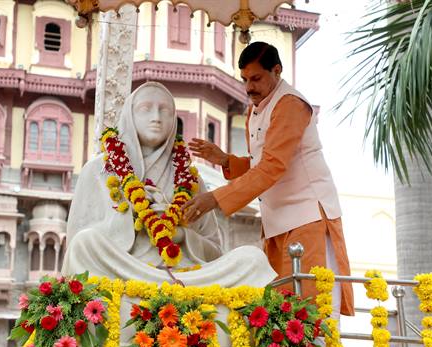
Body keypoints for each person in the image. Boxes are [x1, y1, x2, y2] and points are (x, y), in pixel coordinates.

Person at [183, 42, 354, 347]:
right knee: (281, 317)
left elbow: (274, 166)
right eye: (245, 79)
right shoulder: (257, 108)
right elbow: (262, 164)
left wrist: (215, 199)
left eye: (257, 78)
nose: (249, 88)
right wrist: (225, 161)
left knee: (313, 316)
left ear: (278, 71)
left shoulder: (290, 105)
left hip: (308, 219)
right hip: (276, 224)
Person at [61, 81, 275, 288]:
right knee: (84, 244)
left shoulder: (190, 179)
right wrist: (133, 218)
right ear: (130, 115)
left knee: (252, 259)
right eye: (146, 109)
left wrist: (181, 235)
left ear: (174, 119)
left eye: (165, 111)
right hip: (122, 271)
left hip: (187, 277)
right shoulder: (99, 169)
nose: (156, 118)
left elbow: (215, 249)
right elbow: (77, 240)